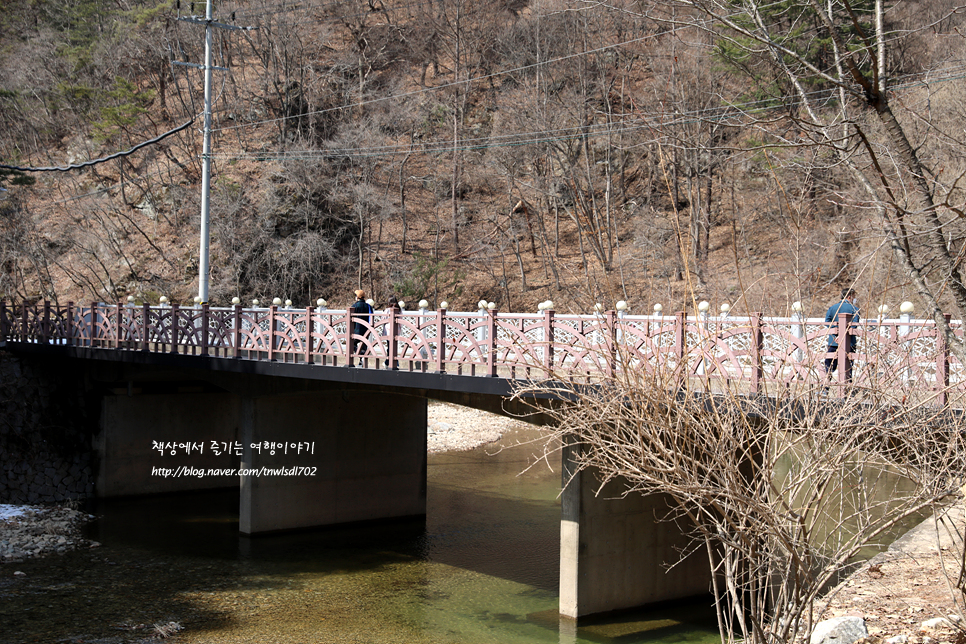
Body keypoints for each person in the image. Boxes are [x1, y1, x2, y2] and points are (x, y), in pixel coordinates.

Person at [824, 288, 859, 382]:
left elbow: (827, 323)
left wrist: (835, 336)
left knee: (829, 365)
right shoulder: (854, 309)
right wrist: (843, 336)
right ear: (849, 297)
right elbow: (854, 326)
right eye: (854, 297)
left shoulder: (832, 308)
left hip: (833, 342)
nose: (854, 299)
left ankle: (825, 388)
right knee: (848, 366)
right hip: (850, 343)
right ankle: (847, 388)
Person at [349, 289, 374, 359]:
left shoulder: (354, 306)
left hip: (356, 329)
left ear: (357, 297)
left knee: (352, 343)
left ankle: (359, 354)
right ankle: (362, 359)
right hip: (366, 329)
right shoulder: (368, 306)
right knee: (363, 344)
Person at [382, 295, 400, 367]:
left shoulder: (387, 310)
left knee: (390, 347)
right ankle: (393, 361)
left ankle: (389, 362)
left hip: (388, 331)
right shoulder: (399, 309)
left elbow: (383, 319)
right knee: (394, 347)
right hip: (397, 331)